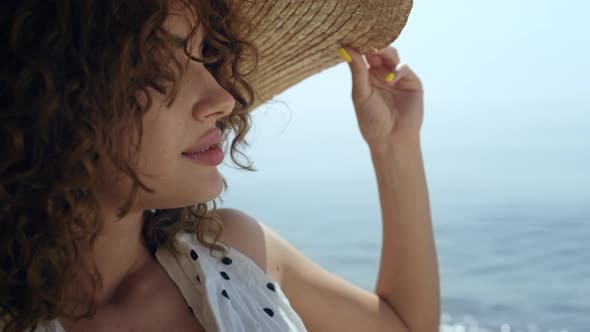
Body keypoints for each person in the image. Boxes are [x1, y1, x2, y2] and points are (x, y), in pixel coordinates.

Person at [0, 0, 440, 331]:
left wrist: (394, 145)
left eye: (206, 54)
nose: (222, 99)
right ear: (52, 103)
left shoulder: (229, 253)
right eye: (156, 68)